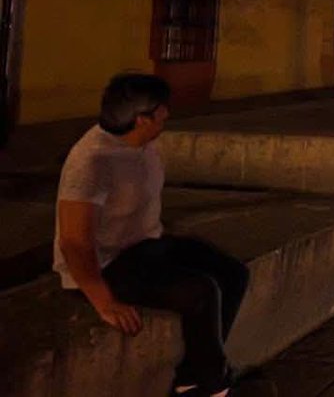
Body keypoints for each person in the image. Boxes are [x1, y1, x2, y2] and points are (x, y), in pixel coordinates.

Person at [55, 74, 248, 397]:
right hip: (106, 265)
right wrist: (104, 302)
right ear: (142, 120)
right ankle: (215, 386)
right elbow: (74, 241)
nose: (167, 115)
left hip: (144, 246)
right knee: (199, 291)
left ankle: (190, 380)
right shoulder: (91, 163)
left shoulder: (143, 143)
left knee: (233, 273)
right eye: (161, 111)